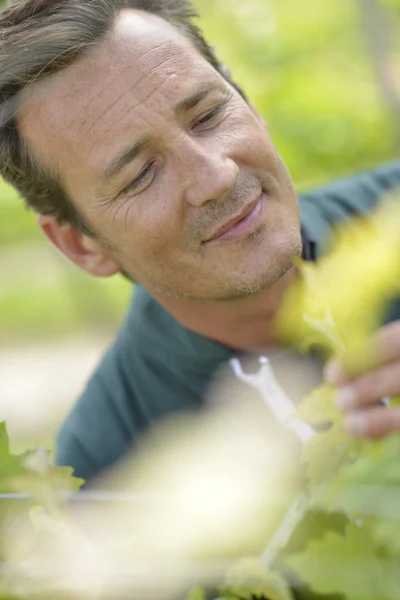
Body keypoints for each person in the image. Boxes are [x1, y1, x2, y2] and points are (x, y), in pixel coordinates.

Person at [0, 0, 399, 483]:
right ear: (81, 245)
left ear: (248, 101)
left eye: (208, 115)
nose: (217, 176)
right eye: (140, 175)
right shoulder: (109, 465)